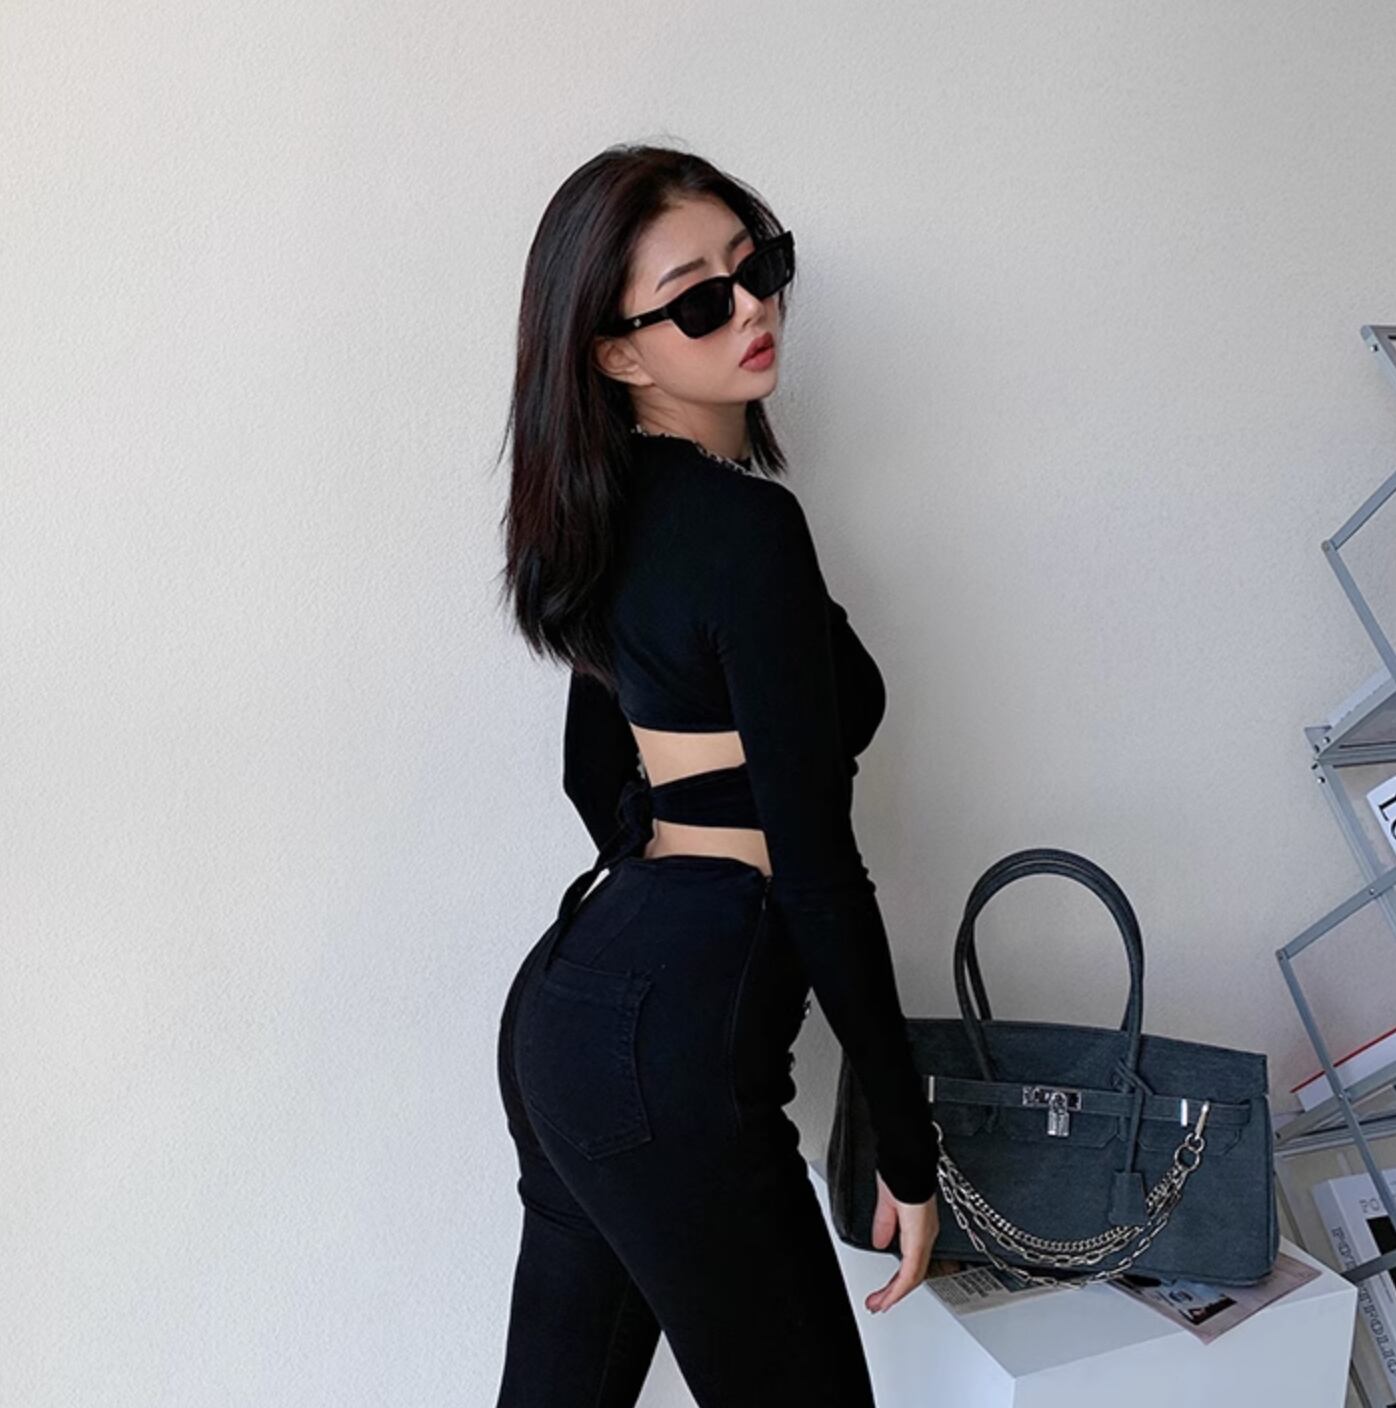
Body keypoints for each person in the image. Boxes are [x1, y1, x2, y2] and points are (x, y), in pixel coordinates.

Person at [493, 142, 941, 1407]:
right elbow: (816, 867)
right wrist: (908, 1143)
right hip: (670, 1038)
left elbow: (594, 777)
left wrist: (659, 930)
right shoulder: (746, 530)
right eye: (699, 299)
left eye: (760, 269)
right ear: (617, 352)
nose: (751, 308)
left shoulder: (598, 517)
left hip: (573, 1006)